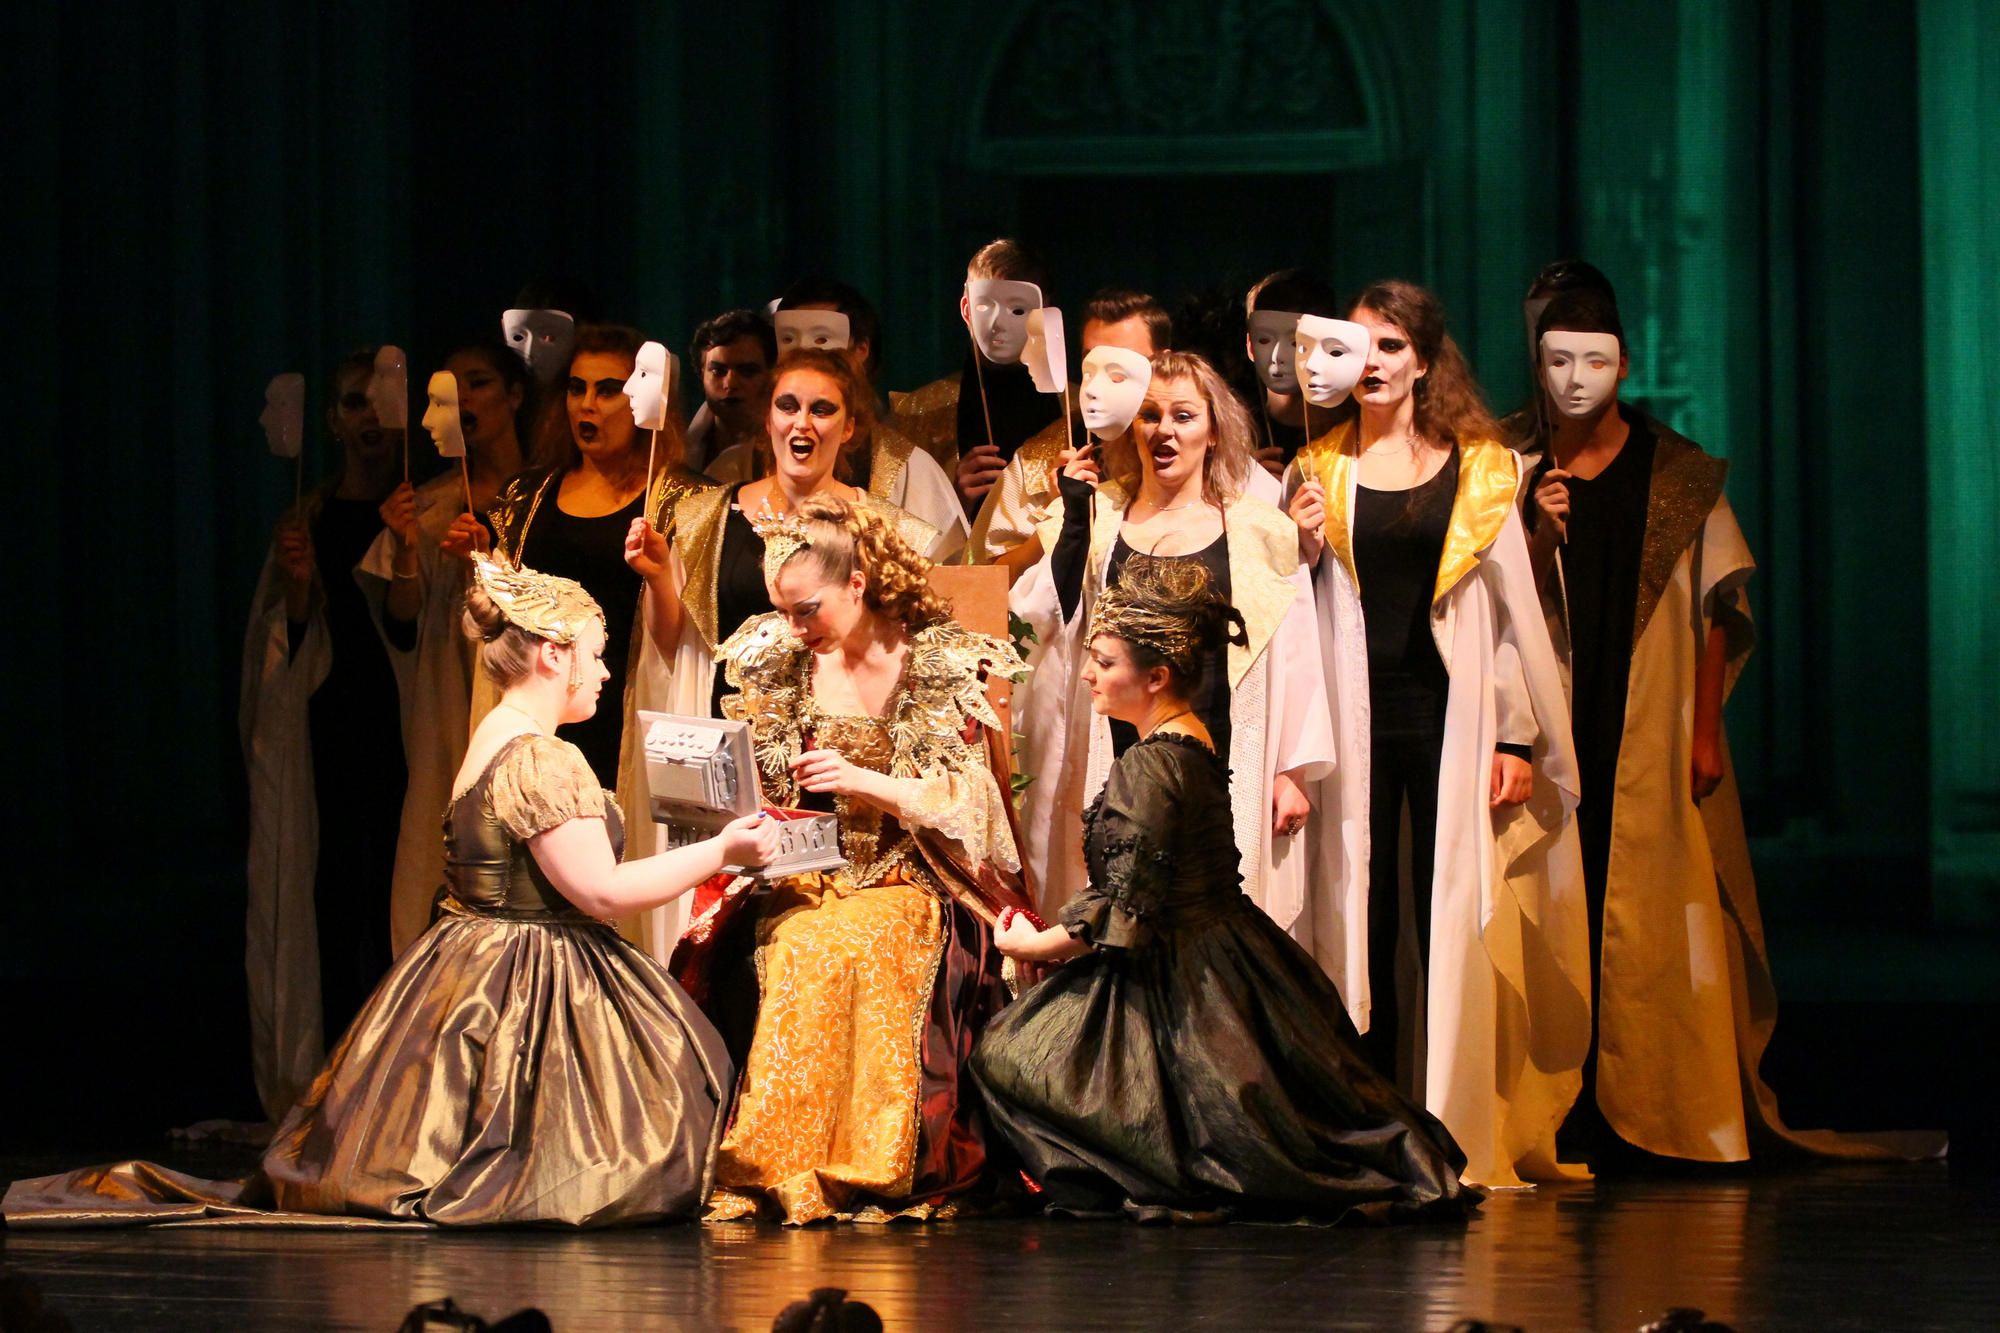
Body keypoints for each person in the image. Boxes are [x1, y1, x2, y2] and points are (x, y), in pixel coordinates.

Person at [5, 559, 781, 1228]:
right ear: (554, 654)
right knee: (643, 1121)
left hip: (470, 957)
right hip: (531, 970)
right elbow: (601, 891)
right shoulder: (544, 758)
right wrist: (722, 850)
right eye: (596, 654)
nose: (605, 672)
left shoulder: (492, 733)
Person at [1524, 288, 1937, 1167]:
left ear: (1624, 364)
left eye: (1595, 360)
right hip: (1540, 713)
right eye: (1558, 360)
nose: (1576, 380)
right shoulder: (1510, 462)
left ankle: (1655, 1106)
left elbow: (1719, 604)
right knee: (1547, 901)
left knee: (1641, 904)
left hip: (1645, 715)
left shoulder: (1676, 471)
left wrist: (1706, 727)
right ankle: (1549, 1109)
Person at [974, 559, 1476, 1223]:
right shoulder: (1190, 736)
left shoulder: (1150, 765)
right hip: (1228, 947)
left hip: (1178, 966)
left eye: (1105, 662)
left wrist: (1031, 944)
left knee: (1007, 1056)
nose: (1089, 674)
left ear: (1156, 678)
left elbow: (1129, 903)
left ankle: (1147, 1173)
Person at [1285, 280, 1590, 1188]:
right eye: (1357, 346)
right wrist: (1297, 545)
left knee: (1447, 910)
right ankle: (1369, 1119)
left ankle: (1449, 1122)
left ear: (1423, 361)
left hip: (1445, 717)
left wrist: (1516, 737)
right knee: (1362, 914)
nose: (1372, 362)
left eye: (1390, 345)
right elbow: (1289, 611)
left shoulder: (1482, 468)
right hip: (1351, 718)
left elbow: (1511, 616)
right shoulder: (1318, 469)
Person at [669, 495, 1033, 1225]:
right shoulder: (787, 661)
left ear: (858, 585)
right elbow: (764, 783)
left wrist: (869, 781)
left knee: (854, 945)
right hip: (811, 870)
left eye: (807, 610)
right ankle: (771, 1159)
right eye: (784, 611)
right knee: (799, 943)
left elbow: (974, 803)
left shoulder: (930, 664)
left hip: (909, 873)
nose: (794, 629)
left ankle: (870, 1159)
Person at [1011, 349, 1334, 930]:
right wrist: (1074, 521)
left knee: (1214, 920)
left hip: (1223, 758)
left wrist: (1292, 771)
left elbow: (1296, 652)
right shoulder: (1101, 515)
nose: (1165, 430)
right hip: (1116, 761)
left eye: (1183, 416)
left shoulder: (1259, 528)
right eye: (1149, 415)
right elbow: (1041, 623)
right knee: (1121, 919)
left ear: (1213, 431)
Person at [241, 346, 408, 1120]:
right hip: (332, 727)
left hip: (403, 726)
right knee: (335, 894)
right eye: (352, 402)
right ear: (333, 422)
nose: (367, 415)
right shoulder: (307, 517)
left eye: (379, 400)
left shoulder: (420, 506)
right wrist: (302, 590)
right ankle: (336, 1078)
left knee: (393, 894)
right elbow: (284, 643)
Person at [370, 340, 530, 953]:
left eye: (480, 384)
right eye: (452, 391)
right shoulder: (432, 504)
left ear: (514, 396)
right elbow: (401, 620)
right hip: (445, 695)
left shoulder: (542, 496)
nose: (465, 403)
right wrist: (407, 551)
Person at [706, 278, 967, 558]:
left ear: (861, 350)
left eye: (821, 339)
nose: (805, 354)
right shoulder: (734, 470)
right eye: (789, 339)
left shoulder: (909, 471)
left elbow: (948, 570)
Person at [966, 287, 1173, 570]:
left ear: (1162, 364)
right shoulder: (1037, 461)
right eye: (1091, 363)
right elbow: (988, 579)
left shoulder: (1191, 451)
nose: (1100, 385)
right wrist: (1057, 516)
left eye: (1120, 366)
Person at [891, 238, 1063, 513]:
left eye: (1018, 310)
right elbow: (896, 523)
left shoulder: (1077, 411)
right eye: (985, 307)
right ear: (966, 310)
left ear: (1044, 312)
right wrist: (952, 501)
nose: (998, 324)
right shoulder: (918, 416)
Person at [685, 308, 776, 474]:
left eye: (747, 371)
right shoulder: (678, 452)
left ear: (771, 376)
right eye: (718, 371)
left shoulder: (785, 451)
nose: (730, 383)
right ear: (701, 373)